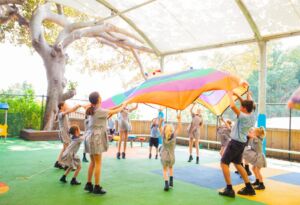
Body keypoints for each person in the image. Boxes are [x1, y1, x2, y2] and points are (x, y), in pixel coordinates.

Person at [84, 91, 125, 195]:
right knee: (98, 163)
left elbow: (108, 113)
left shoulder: (92, 110)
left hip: (89, 138)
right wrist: (124, 105)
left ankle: (89, 184)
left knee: (93, 162)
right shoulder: (100, 110)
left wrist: (120, 105)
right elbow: (116, 110)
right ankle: (96, 187)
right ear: (98, 99)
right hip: (96, 138)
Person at [219, 90, 257, 198]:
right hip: (242, 143)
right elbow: (247, 104)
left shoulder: (243, 116)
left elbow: (232, 106)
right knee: (238, 164)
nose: (240, 107)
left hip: (235, 143)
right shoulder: (252, 115)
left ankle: (229, 189)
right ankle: (249, 188)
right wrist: (238, 95)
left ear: (244, 109)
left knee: (224, 163)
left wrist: (230, 95)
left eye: (242, 106)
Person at [54, 102, 81, 169]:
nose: (67, 106)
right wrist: (76, 106)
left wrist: (77, 107)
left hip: (65, 133)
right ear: (61, 107)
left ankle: (58, 162)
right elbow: (69, 110)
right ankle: (66, 164)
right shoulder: (61, 113)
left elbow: (71, 110)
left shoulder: (64, 113)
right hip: (64, 133)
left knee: (65, 148)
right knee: (67, 149)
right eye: (65, 105)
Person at [159, 112, 182, 191]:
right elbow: (179, 128)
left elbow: (159, 128)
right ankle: (171, 182)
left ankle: (166, 184)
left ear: (165, 131)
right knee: (171, 167)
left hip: (164, 156)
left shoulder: (163, 136)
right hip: (172, 156)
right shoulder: (174, 136)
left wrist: (160, 122)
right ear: (171, 130)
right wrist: (179, 120)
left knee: (165, 169)